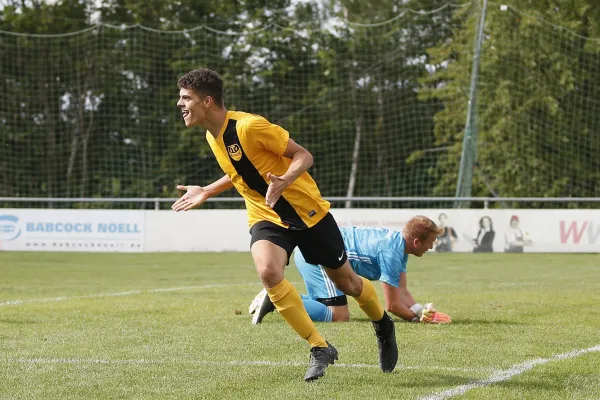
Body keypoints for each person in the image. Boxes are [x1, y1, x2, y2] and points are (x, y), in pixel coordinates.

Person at [171, 68, 397, 381]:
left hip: (308, 214)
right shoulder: (212, 135)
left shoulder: (250, 125)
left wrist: (285, 180)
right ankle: (320, 347)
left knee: (349, 284)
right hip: (266, 215)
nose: (180, 104)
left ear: (207, 101)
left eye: (186, 98)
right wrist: (207, 190)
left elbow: (303, 156)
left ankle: (383, 325)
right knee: (267, 271)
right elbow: (240, 171)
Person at [249, 216, 452, 325]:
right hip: (319, 257)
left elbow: (403, 292)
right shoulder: (391, 252)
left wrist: (420, 311)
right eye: (431, 242)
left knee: (320, 308)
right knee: (338, 316)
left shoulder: (399, 247)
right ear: (417, 242)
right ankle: (275, 298)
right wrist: (418, 321)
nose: (432, 247)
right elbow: (392, 304)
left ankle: (275, 297)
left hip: (317, 253)